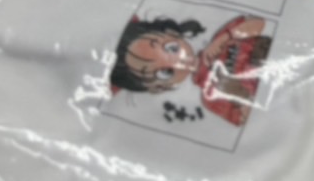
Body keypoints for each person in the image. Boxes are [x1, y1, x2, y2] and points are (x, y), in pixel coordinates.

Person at [110, 13, 271, 126]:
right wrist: (241, 94)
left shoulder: (222, 39)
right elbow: (247, 120)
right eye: (166, 72)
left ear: (172, 33)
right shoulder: (210, 98)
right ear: (159, 88)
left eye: (172, 48)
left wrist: (225, 37)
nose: (178, 62)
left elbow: (261, 24)